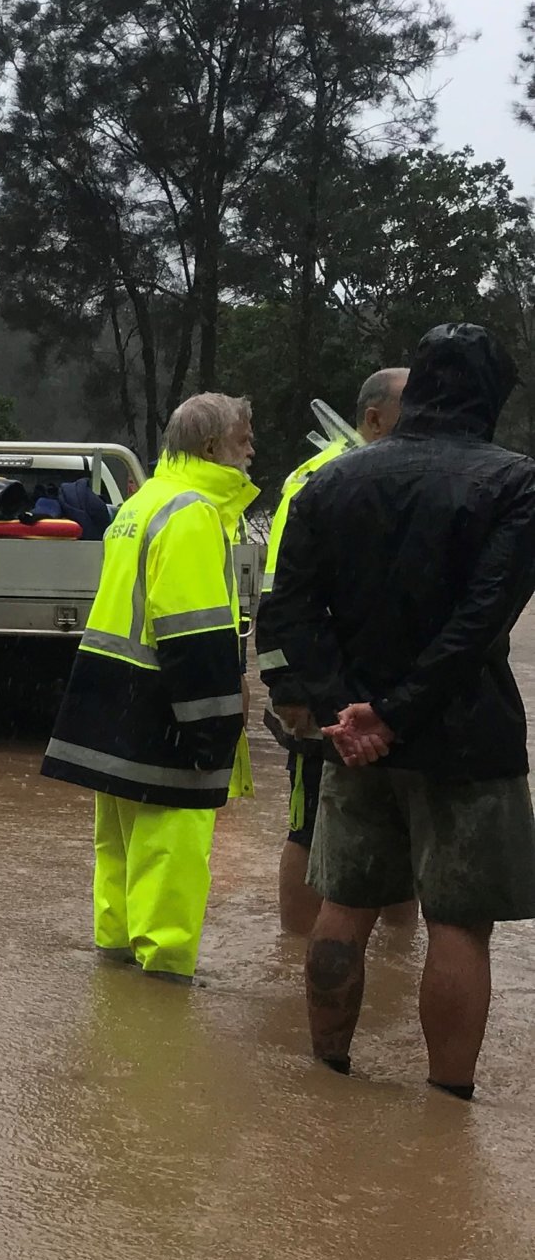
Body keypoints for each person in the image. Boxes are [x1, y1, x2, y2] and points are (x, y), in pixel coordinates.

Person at [261, 324, 535, 1099]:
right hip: (464, 736)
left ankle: (327, 1075)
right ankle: (448, 1103)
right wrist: (394, 712)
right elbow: (481, 622)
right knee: (459, 921)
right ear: (488, 396)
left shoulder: (331, 481)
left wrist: (343, 707)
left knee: (344, 904)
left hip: (353, 741)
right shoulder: (515, 484)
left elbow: (288, 611)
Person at [43, 392, 259, 982]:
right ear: (212, 446)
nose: (252, 452)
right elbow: (195, 634)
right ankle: (164, 979)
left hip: (113, 703)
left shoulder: (144, 503)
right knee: (171, 851)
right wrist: (213, 729)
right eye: (245, 440)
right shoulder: (192, 513)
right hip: (162, 712)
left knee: (117, 846)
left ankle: (114, 962)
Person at [255, 367, 409, 932]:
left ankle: (397, 957)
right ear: (374, 418)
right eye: (409, 412)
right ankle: (293, 956)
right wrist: (290, 691)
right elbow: (279, 598)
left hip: (399, 695)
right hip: (325, 689)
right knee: (310, 824)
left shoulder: (415, 471)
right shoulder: (315, 480)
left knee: (404, 827)